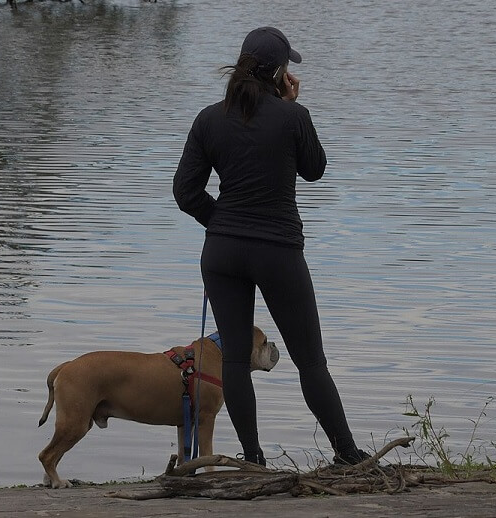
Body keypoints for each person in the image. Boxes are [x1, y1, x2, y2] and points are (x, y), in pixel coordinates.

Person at [173, 26, 369, 466]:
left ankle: (253, 459)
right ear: (280, 74)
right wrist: (293, 109)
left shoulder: (208, 118)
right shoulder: (291, 117)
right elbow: (315, 169)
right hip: (278, 252)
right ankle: (347, 454)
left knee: (236, 361)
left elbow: (185, 192)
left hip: (222, 255)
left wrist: (222, 222)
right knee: (310, 362)